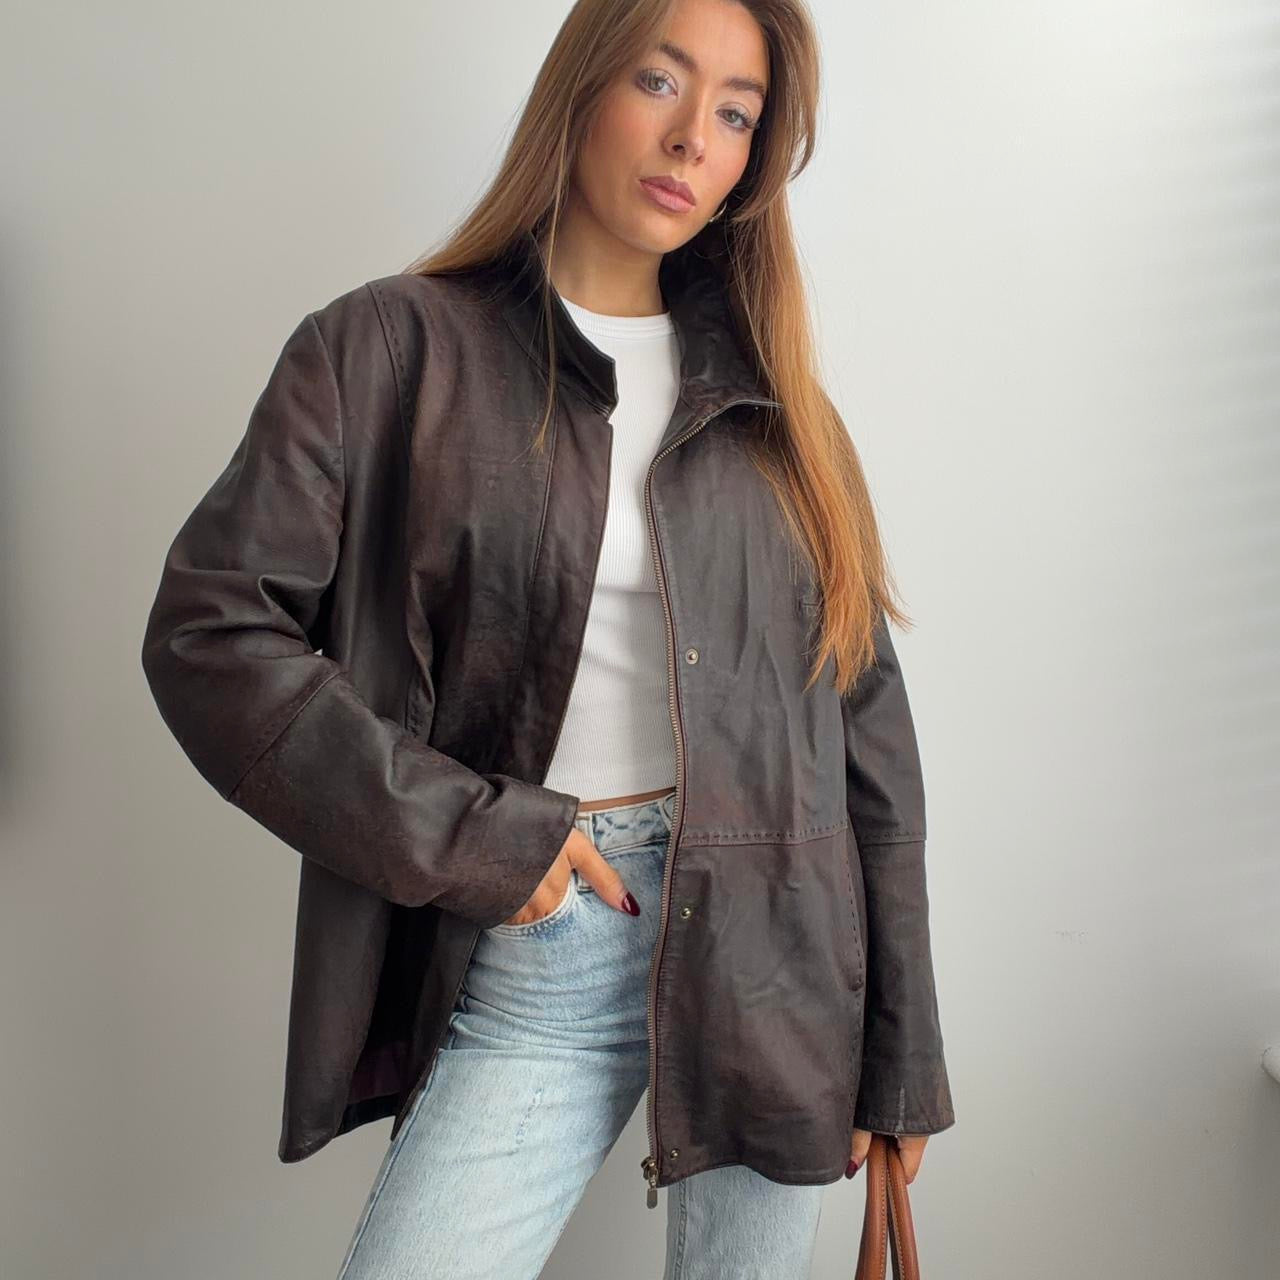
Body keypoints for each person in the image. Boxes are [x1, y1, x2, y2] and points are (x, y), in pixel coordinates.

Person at [140, 0, 955, 1275]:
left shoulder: (779, 410)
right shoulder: (389, 348)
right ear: (582, 84)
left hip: (778, 956)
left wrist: (899, 1056)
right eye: (659, 81)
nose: (692, 139)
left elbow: (867, 736)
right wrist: (476, 836)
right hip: (550, 929)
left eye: (736, 113)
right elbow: (209, 629)